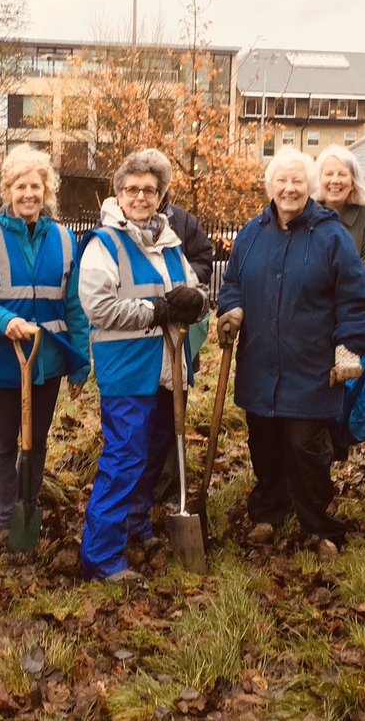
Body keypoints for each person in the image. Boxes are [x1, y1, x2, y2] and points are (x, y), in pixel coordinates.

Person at [217, 147, 365, 560]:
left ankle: (318, 525)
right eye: (282, 181)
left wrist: (349, 347)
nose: (289, 188)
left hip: (311, 368)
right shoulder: (252, 234)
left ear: (310, 187)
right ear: (270, 186)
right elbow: (232, 281)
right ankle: (268, 512)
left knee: (306, 448)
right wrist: (232, 308)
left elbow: (357, 297)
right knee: (264, 443)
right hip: (259, 363)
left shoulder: (331, 235)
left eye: (298, 181)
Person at [77, 149, 208, 581]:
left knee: (152, 456)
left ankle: (135, 525)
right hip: (128, 368)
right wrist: (157, 311)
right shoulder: (104, 244)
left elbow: (190, 293)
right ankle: (100, 556)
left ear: (160, 196)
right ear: (118, 194)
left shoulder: (170, 243)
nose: (140, 197)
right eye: (132, 189)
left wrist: (199, 302)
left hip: (167, 367)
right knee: (124, 459)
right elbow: (99, 308)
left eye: (149, 190)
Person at [0, 145, 91, 549]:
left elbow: (74, 305)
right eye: (20, 186)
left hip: (49, 358)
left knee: (37, 440)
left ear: (47, 191)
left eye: (35, 186)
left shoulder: (64, 238)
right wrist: (7, 322)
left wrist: (79, 361)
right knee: (5, 439)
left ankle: (29, 503)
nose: (28, 194)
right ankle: (6, 518)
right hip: (5, 357)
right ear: (7, 189)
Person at [152, 150, 215, 505]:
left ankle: (170, 487)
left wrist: (188, 291)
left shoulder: (185, 223)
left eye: (158, 184)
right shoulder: (118, 226)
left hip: (178, 335)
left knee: (175, 410)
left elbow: (203, 260)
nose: (150, 192)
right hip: (138, 337)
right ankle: (143, 489)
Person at [316, 144, 365, 294]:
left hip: (350, 314)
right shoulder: (304, 218)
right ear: (319, 180)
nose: (335, 180)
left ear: (353, 182)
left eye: (342, 174)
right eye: (328, 174)